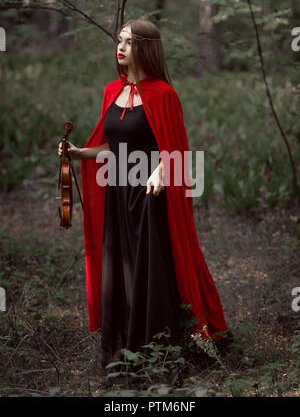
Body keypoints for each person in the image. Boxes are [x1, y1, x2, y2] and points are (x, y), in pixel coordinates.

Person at [58, 19, 230, 373]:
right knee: (120, 271)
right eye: (118, 41)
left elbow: (177, 150)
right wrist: (78, 153)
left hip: (151, 198)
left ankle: (159, 355)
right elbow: (113, 147)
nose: (120, 47)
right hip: (118, 195)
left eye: (128, 42)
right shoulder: (111, 91)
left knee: (149, 273)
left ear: (145, 48)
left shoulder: (164, 94)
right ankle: (122, 354)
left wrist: (162, 170)